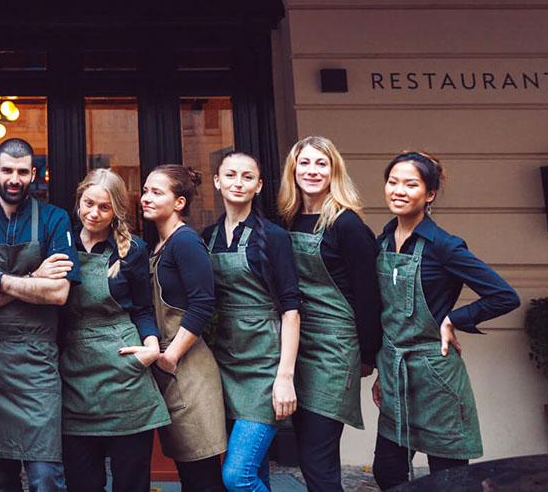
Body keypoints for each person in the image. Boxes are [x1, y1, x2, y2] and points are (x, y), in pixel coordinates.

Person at [370, 152, 520, 489]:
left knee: (450, 479)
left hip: (437, 377)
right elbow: (386, 314)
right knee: (388, 473)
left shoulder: (445, 246)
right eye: (392, 182)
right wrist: (382, 370)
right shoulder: (381, 242)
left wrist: (454, 318)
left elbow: (504, 295)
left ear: (430, 193)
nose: (398, 190)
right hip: (396, 372)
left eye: (411, 184)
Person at [0, 138, 79, 492]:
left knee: (45, 477)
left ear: (33, 174)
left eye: (22, 172)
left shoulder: (54, 218)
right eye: (8, 171)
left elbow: (58, 293)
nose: (14, 179)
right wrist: (32, 282)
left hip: (37, 366)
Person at [276, 136, 379, 492]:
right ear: (293, 170)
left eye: (321, 163)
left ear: (334, 170)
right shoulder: (287, 220)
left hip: (335, 351)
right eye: (304, 163)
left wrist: (368, 355)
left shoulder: (347, 224)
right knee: (307, 454)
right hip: (296, 346)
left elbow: (369, 296)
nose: (312, 171)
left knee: (318, 457)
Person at [59, 169, 171, 492]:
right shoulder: (60, 239)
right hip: (75, 378)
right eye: (88, 203)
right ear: (78, 201)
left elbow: (143, 309)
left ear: (116, 211)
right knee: (82, 482)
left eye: (104, 207)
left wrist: (151, 348)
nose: (94, 213)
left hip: (125, 375)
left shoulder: (133, 249)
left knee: (131, 482)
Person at [201, 151, 301, 492]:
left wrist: (284, 377)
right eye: (230, 175)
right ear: (217, 181)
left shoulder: (273, 237)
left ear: (258, 186)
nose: (237, 183)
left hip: (265, 368)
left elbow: (291, 309)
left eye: (247, 177)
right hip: (225, 363)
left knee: (237, 476)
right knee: (257, 473)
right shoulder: (208, 237)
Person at [140, 165, 227, 492]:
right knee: (189, 477)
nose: (146, 198)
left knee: (203, 478)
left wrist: (170, 357)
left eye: (156, 192)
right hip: (173, 372)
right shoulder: (160, 245)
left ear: (179, 202)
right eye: (146, 190)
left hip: (190, 373)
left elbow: (203, 304)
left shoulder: (186, 242)